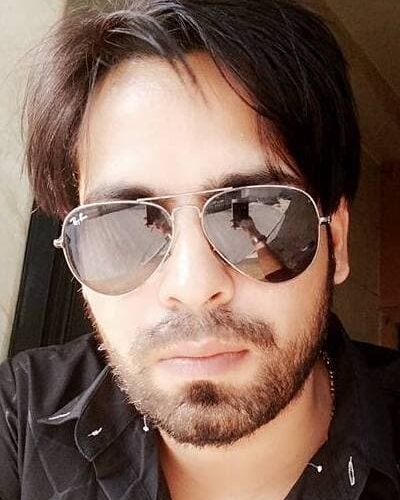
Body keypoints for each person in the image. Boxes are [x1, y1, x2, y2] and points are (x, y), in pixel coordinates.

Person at [0, 1, 399, 498]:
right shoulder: (19, 418)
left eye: (255, 212)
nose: (193, 285)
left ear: (335, 240)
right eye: (124, 223)